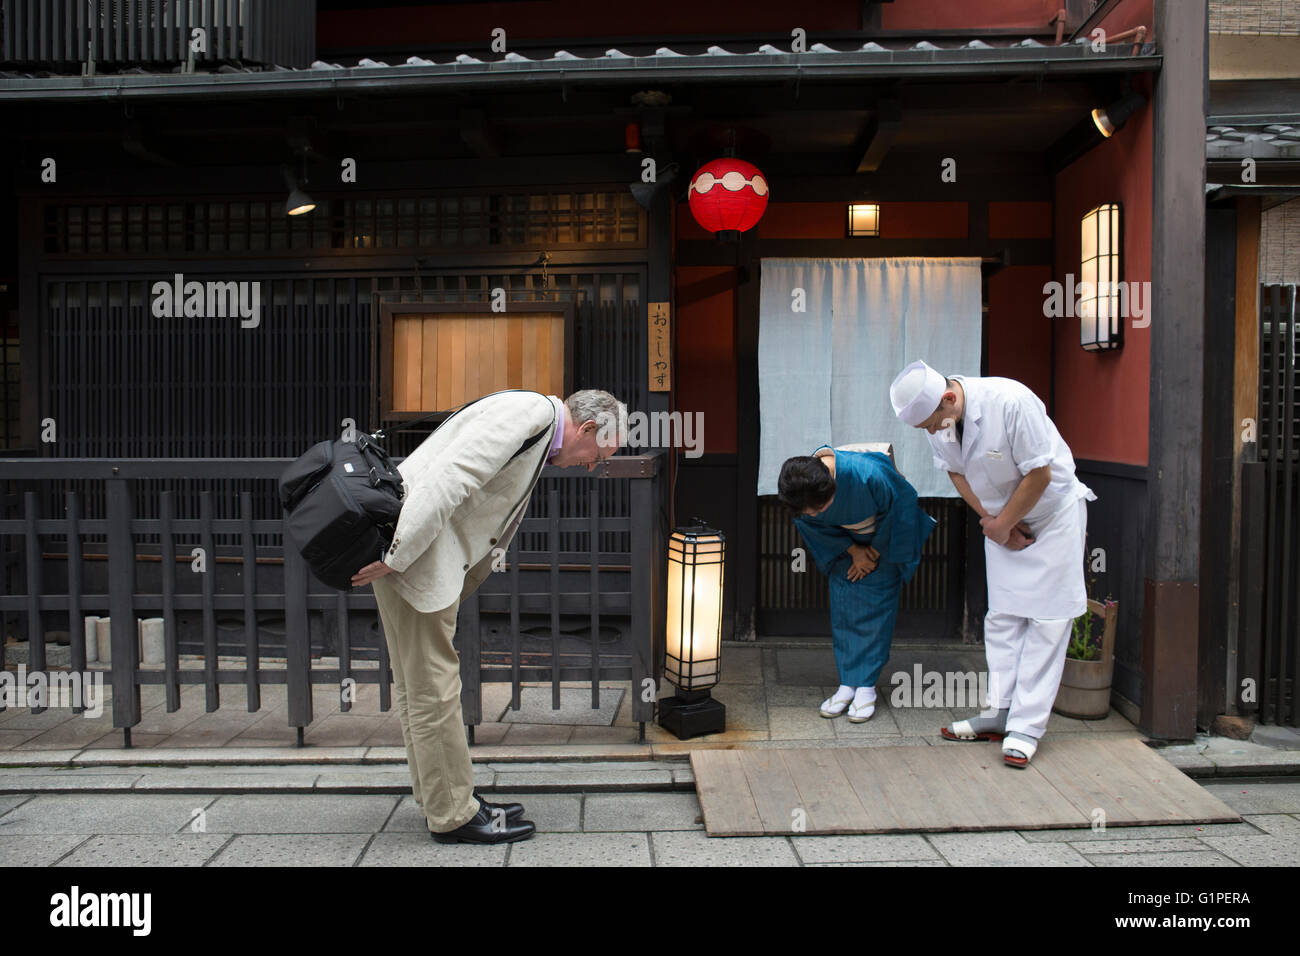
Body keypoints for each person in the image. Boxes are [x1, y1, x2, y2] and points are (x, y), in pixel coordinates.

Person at [350, 388, 627, 841]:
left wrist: (396, 550)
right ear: (588, 428)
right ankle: (453, 816)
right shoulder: (532, 414)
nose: (592, 466)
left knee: (419, 686)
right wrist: (397, 552)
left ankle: (442, 799)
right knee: (434, 687)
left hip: (415, 552)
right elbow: (451, 476)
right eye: (598, 454)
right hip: (420, 558)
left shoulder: (531, 413)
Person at [889, 360, 1095, 768]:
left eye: (933, 423)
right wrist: (994, 522)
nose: (933, 432)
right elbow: (955, 471)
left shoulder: (1011, 400)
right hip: (1002, 518)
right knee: (1003, 617)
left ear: (949, 397)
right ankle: (999, 711)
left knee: (1047, 622)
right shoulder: (943, 420)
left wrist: (1004, 523)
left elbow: (1040, 473)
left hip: (1053, 518)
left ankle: (1026, 727)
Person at [778, 445, 937, 722]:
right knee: (845, 610)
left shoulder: (868, 474)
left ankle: (866, 687)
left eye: (819, 507)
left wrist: (872, 552)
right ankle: (847, 684)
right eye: (808, 510)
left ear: (831, 485)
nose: (813, 513)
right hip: (843, 547)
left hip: (884, 544)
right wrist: (853, 550)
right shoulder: (804, 489)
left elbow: (902, 505)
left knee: (876, 614)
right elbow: (810, 523)